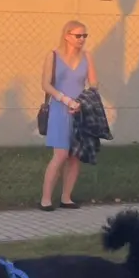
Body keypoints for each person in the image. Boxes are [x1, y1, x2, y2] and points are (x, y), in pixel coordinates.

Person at [40, 20, 98, 211]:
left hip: (79, 109)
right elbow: (46, 84)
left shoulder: (87, 57)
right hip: (59, 108)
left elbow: (94, 83)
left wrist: (81, 102)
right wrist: (65, 100)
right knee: (61, 154)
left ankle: (66, 197)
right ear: (67, 35)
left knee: (75, 156)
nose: (82, 39)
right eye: (78, 35)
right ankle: (46, 198)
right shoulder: (53, 56)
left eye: (84, 36)